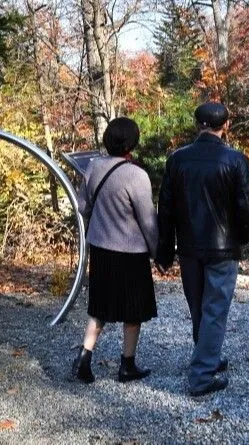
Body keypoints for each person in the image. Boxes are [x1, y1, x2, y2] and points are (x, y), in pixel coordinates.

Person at [156, 103, 249, 397]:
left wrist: (164, 250)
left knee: (198, 307)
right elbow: (248, 207)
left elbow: (166, 209)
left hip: (189, 246)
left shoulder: (178, 160)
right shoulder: (236, 159)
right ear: (224, 125)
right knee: (214, 309)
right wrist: (241, 238)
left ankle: (207, 355)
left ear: (196, 124)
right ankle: (201, 376)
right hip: (222, 248)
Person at [70, 117, 159, 384]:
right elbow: (148, 221)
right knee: (133, 311)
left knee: (100, 307)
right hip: (131, 253)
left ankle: (85, 357)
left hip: (101, 249)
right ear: (132, 142)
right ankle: (127, 365)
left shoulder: (94, 167)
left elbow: (82, 207)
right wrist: (157, 252)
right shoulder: (137, 175)